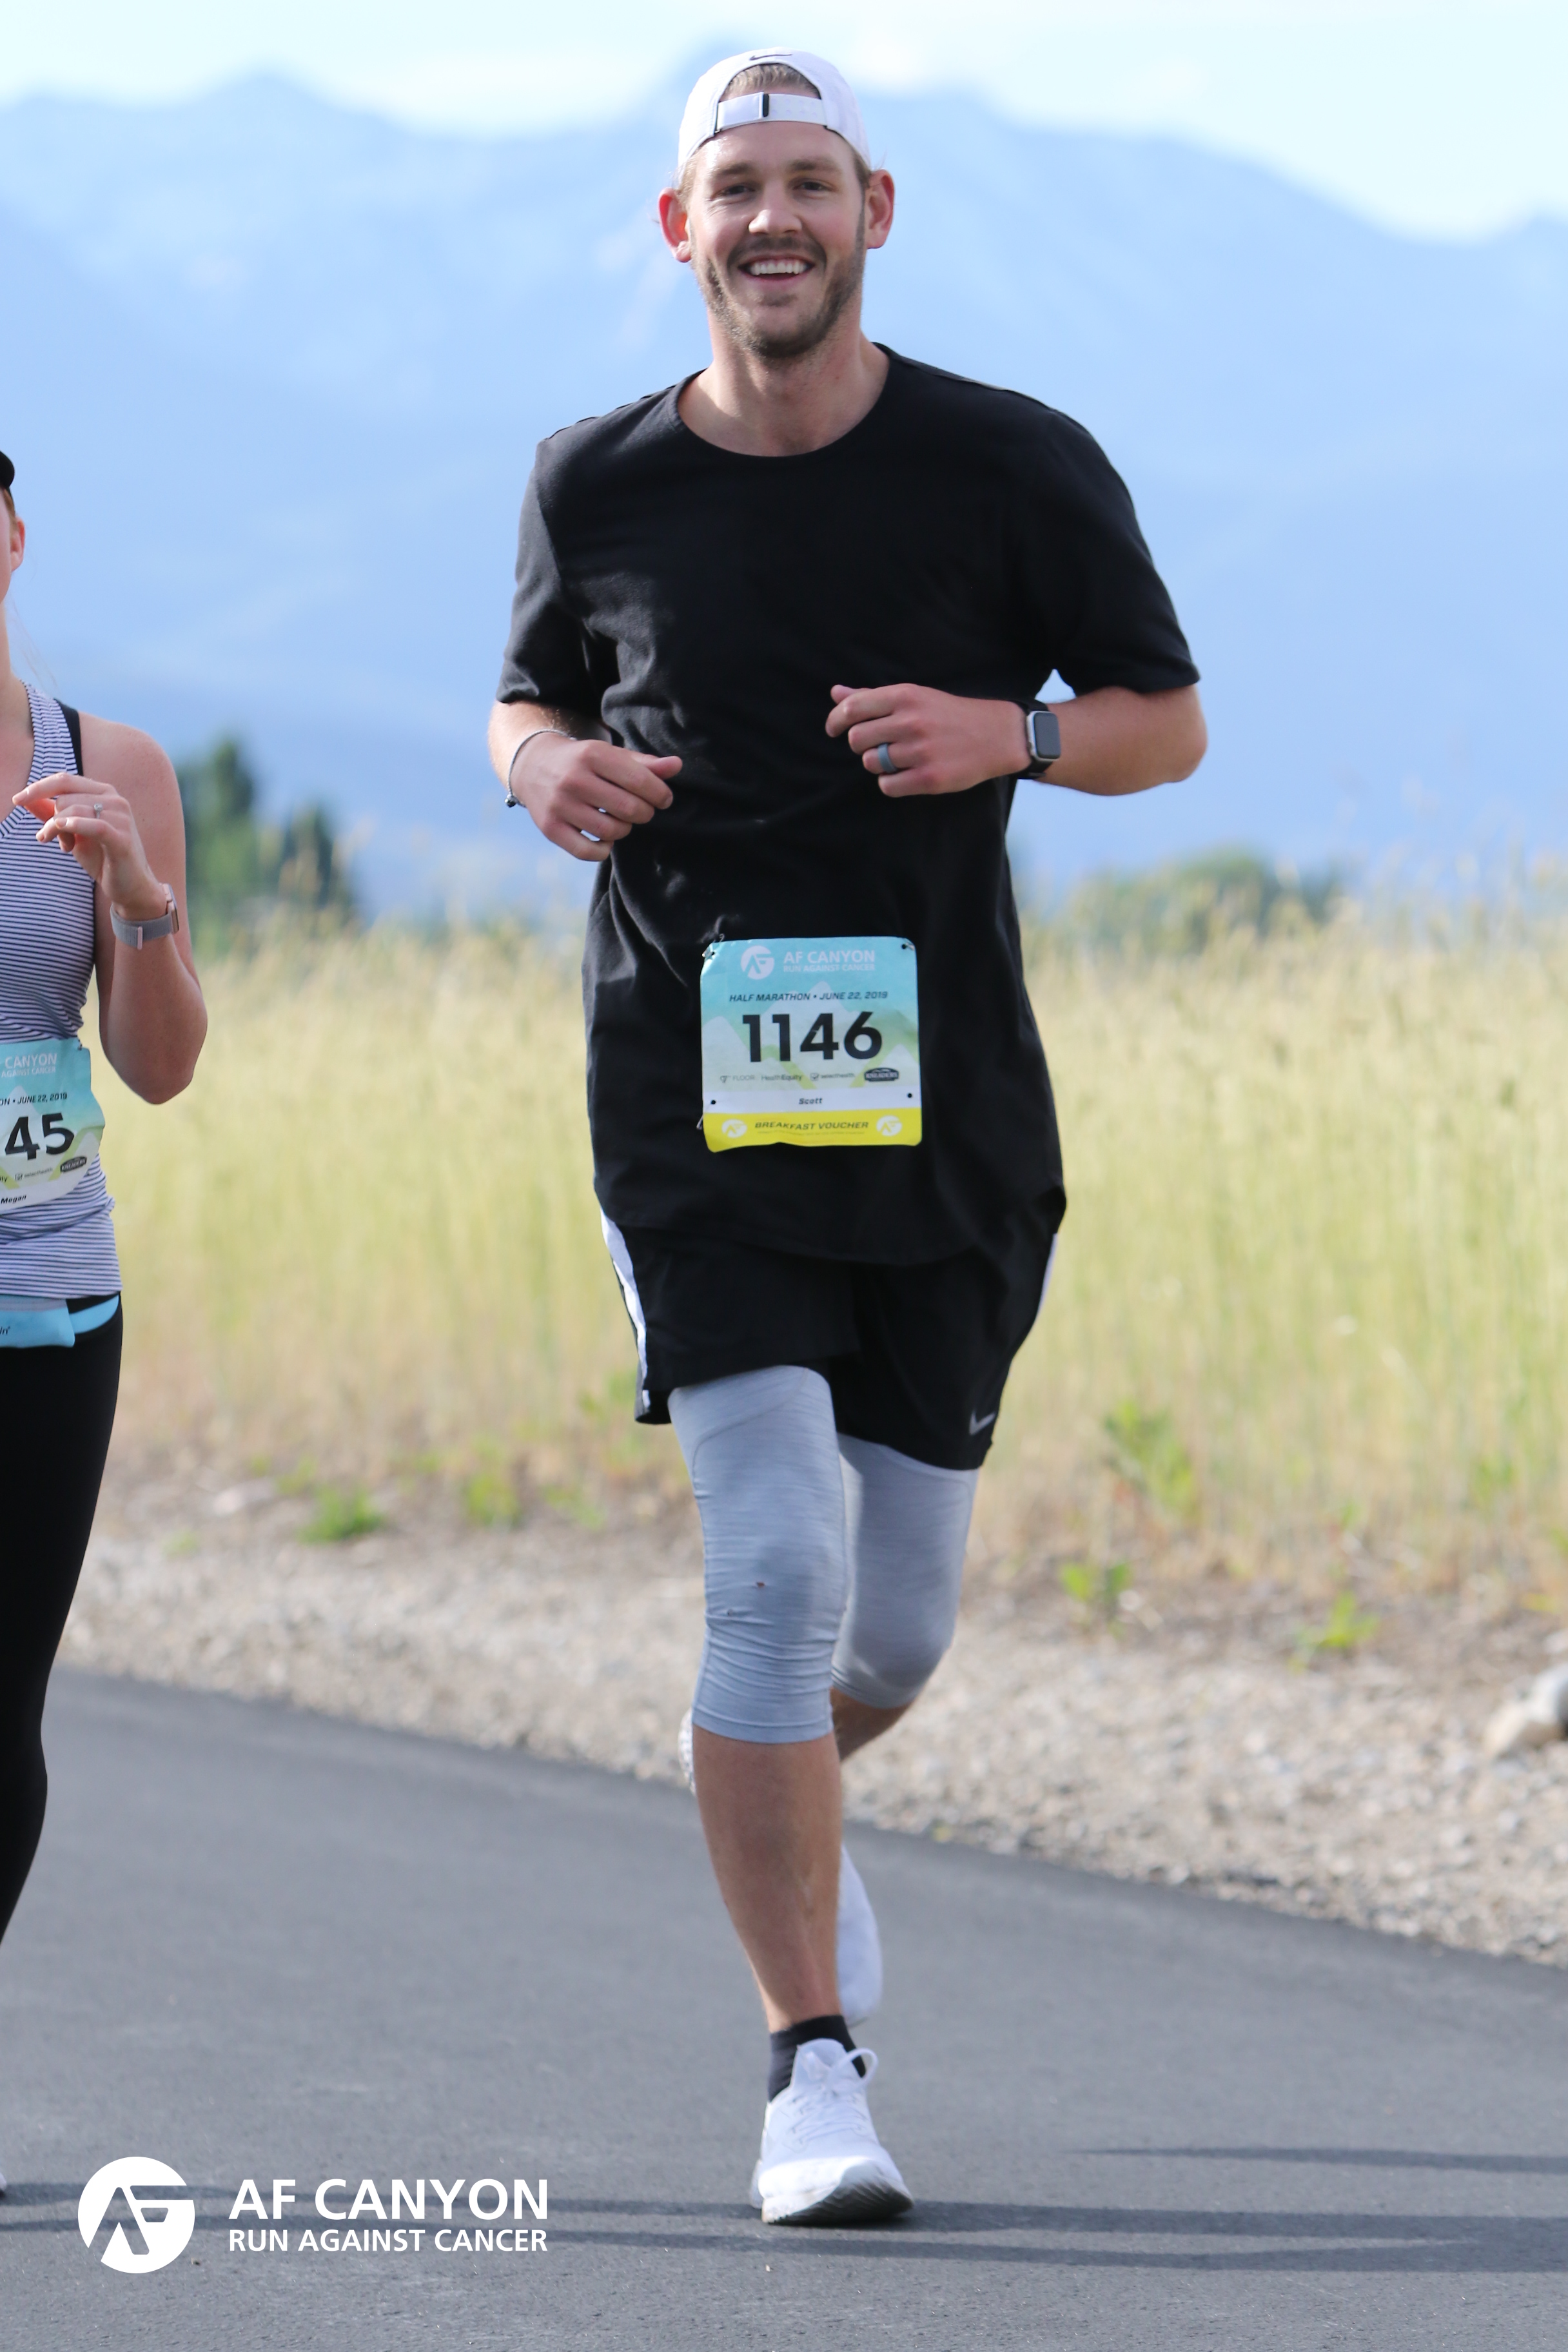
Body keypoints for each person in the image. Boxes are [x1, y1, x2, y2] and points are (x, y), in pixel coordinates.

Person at [487, 48, 1205, 2226]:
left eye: (811, 181)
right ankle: (812, 2068)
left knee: (887, 1640)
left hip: (945, 1119)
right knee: (778, 1570)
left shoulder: (1012, 462)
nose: (773, 220)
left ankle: (768, 1784)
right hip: (687, 1108)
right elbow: (527, 695)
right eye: (737, 187)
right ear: (678, 228)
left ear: (875, 211)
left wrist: (1017, 737)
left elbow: (1168, 726)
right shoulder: (592, 480)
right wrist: (536, 770)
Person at [0, 448, 206, 2194]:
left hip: (48, 1296)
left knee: (1, 1708)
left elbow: (160, 1066)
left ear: (9, 538)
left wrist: (136, 896)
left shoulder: (108, 762)